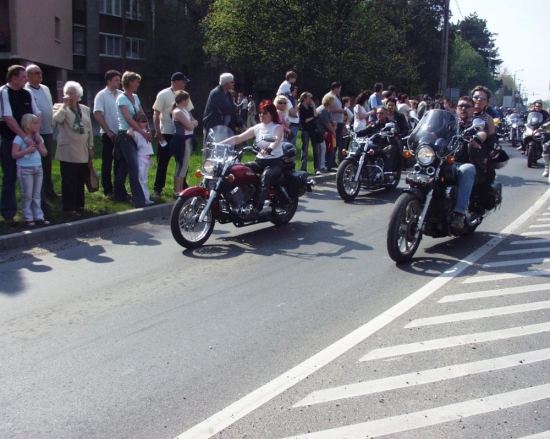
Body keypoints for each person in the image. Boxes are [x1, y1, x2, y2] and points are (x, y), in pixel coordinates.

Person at [222, 100, 285, 219]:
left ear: (272, 114)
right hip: (259, 161)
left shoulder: (277, 127)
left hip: (275, 162)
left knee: (266, 176)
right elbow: (238, 138)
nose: (261, 115)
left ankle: (257, 208)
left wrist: (269, 149)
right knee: (237, 169)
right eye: (260, 112)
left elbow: (277, 139)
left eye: (265, 112)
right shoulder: (257, 127)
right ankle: (235, 200)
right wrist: (219, 144)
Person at [0, 65, 41, 224]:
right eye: (23, 77)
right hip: (10, 139)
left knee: (35, 172)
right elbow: (7, 117)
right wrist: (23, 137)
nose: (26, 79)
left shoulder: (27, 93)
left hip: (30, 139)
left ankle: (37, 211)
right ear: (14, 78)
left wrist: (36, 132)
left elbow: (37, 113)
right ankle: (8, 213)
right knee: (10, 175)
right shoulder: (4, 92)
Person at [446, 96, 489, 228]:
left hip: (463, 162)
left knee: (467, 169)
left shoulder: (476, 123)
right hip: (444, 161)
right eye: (461, 106)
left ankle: (459, 214)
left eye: (467, 106)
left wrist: (478, 138)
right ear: (456, 108)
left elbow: (483, 133)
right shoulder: (449, 122)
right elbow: (433, 131)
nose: (463, 108)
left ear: (472, 109)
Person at [53, 81, 94, 214]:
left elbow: (89, 129)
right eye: (67, 93)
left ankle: (79, 205)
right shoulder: (59, 107)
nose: (70, 95)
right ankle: (69, 207)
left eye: (72, 93)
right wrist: (65, 105)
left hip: (82, 149)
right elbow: (57, 120)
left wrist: (90, 146)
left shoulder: (85, 109)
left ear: (78, 95)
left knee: (80, 178)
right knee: (69, 179)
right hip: (67, 150)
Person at [152, 72, 192, 198]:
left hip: (180, 134)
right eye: (183, 82)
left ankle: (182, 186)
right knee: (162, 161)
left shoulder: (184, 95)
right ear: (176, 81)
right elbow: (156, 113)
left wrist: (191, 122)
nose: (185, 84)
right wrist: (158, 130)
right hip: (167, 132)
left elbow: (189, 112)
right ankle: (158, 188)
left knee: (182, 161)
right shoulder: (163, 94)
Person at [114, 71, 150, 208]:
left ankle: (119, 194)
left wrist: (147, 129)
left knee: (125, 165)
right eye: (136, 82)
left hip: (135, 134)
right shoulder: (121, 98)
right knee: (134, 166)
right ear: (130, 82)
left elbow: (141, 113)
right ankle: (139, 200)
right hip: (125, 135)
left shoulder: (135, 97)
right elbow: (128, 119)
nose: (138, 84)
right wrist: (142, 132)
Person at [25, 64, 57, 201]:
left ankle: (49, 190)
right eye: (36, 73)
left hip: (47, 130)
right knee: (37, 163)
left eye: (40, 73)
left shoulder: (45, 88)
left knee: (47, 161)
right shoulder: (26, 90)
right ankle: (39, 192)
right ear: (28, 76)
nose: (39, 75)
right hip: (34, 131)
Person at [11, 114, 49, 226]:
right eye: (34, 123)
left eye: (37, 123)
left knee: (37, 194)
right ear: (27, 125)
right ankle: (28, 217)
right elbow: (14, 154)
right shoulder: (19, 138)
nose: (37, 125)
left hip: (38, 167)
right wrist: (26, 151)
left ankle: (39, 216)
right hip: (25, 168)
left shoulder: (38, 138)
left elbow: (45, 153)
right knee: (27, 194)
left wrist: (39, 147)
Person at [93, 69, 123, 199]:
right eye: (116, 80)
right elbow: (97, 114)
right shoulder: (102, 95)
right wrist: (107, 131)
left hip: (121, 134)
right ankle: (108, 190)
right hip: (108, 134)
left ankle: (118, 188)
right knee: (107, 163)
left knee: (119, 162)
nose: (118, 82)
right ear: (108, 81)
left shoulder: (121, 94)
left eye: (119, 80)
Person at [357, 105, 401, 176]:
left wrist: (393, 131)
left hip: (384, 146)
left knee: (391, 148)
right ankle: (362, 170)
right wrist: (355, 133)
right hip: (375, 146)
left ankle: (386, 172)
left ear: (386, 114)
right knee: (362, 147)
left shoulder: (391, 124)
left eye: (381, 113)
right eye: (377, 113)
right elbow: (365, 130)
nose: (378, 115)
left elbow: (395, 129)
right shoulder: (375, 124)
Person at [170, 90, 198, 198]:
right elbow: (190, 126)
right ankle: (177, 190)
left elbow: (195, 122)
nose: (188, 101)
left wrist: (192, 123)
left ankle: (181, 189)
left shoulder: (185, 111)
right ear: (183, 100)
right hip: (181, 140)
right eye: (187, 99)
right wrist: (192, 123)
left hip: (188, 139)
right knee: (181, 165)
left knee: (185, 166)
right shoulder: (177, 112)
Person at [203, 73, 237, 146]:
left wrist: (227, 110)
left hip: (223, 127)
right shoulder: (216, 93)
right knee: (211, 148)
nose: (234, 83)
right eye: (232, 82)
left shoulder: (228, 94)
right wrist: (227, 110)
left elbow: (233, 108)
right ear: (226, 83)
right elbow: (227, 109)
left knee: (222, 148)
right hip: (213, 126)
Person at [127, 113, 154, 205]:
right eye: (143, 122)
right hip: (141, 158)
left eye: (146, 121)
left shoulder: (146, 131)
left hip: (146, 158)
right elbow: (129, 132)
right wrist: (133, 125)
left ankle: (147, 197)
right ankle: (144, 198)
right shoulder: (137, 132)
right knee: (141, 179)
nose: (145, 123)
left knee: (145, 179)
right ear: (137, 122)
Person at [324, 81, 345, 168]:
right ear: (335, 88)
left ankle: (333, 160)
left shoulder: (338, 96)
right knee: (332, 142)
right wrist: (338, 111)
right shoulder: (329, 96)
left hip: (339, 122)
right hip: (333, 122)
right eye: (339, 88)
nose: (340, 90)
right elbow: (327, 109)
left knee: (337, 143)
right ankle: (330, 161)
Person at [315, 95, 336, 174]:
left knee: (326, 149)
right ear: (329, 101)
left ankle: (326, 166)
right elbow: (327, 123)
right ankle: (321, 167)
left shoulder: (327, 110)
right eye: (332, 100)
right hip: (320, 133)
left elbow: (330, 121)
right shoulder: (323, 110)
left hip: (325, 133)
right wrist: (333, 131)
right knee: (321, 149)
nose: (333, 102)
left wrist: (334, 124)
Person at [298, 92, 318, 173]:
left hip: (313, 129)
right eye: (309, 98)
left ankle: (316, 168)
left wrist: (314, 106)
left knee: (316, 149)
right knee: (305, 150)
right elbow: (304, 121)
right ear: (305, 98)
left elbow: (316, 115)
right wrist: (312, 117)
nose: (310, 100)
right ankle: (303, 168)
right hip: (305, 130)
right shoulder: (300, 107)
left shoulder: (310, 107)